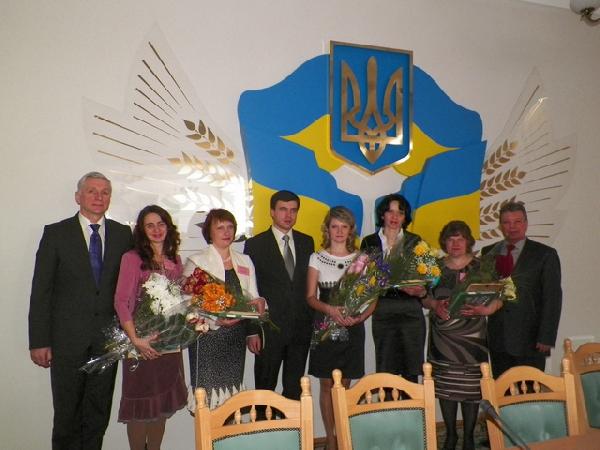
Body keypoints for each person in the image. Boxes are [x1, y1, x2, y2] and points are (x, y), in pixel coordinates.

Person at [28, 171, 133, 450]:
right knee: (67, 415)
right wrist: (39, 340)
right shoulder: (56, 234)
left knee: (98, 413)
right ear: (78, 197)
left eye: (105, 192)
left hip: (107, 341)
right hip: (67, 341)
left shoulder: (123, 235)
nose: (99, 197)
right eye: (92, 191)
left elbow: (132, 285)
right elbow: (41, 290)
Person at [422, 221, 502, 450]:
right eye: (451, 239)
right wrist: (434, 305)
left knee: (472, 389)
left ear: (468, 242)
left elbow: (500, 296)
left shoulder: (481, 266)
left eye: (460, 239)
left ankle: (468, 437)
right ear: (444, 242)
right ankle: (450, 435)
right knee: (446, 388)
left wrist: (486, 310)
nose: (455, 244)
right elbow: (423, 297)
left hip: (473, 340)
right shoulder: (435, 268)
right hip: (442, 340)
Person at [114, 205, 187, 450]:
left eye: (161, 224)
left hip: (169, 344)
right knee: (140, 407)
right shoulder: (132, 258)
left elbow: (178, 301)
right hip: (141, 344)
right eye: (150, 225)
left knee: (161, 406)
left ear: (168, 227)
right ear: (142, 230)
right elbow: (121, 301)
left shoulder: (175, 260)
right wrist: (135, 339)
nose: (156, 230)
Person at [307, 206, 375, 450]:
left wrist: (359, 318)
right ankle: (331, 439)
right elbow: (310, 298)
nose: (339, 231)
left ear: (350, 230)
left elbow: (372, 298)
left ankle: (343, 436)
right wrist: (331, 310)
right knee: (326, 383)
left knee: (344, 385)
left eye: (343, 227)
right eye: (334, 226)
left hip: (352, 327)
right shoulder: (316, 258)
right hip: (325, 325)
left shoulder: (362, 259)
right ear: (327, 229)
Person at [184, 209, 265, 407]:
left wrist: (260, 304)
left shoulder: (245, 260)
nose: (226, 232)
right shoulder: (197, 261)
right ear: (209, 232)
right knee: (207, 400)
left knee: (231, 399)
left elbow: (253, 296)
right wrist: (215, 320)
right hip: (207, 338)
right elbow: (187, 303)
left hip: (235, 338)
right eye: (220, 227)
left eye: (230, 227)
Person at [244, 190, 315, 400]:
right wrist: (252, 331)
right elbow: (249, 290)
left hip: (300, 329)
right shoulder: (255, 244)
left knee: (294, 391)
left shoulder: (307, 242)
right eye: (283, 209)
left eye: (293, 210)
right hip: (269, 330)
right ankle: (264, 423)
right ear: (272, 212)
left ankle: (292, 424)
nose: (288, 215)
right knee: (265, 390)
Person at [481, 201, 562, 377]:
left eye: (517, 221)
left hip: (531, 339)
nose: (512, 227)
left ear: (526, 223)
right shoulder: (488, 252)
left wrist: (546, 337)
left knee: (531, 390)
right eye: (507, 222)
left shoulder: (545, 254)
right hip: (499, 338)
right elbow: (485, 291)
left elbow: (553, 298)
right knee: (502, 389)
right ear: (500, 226)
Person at [360, 193, 427, 383]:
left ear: (405, 217)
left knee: (411, 372)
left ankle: (412, 404)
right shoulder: (369, 242)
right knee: (386, 373)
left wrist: (421, 289)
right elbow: (364, 279)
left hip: (411, 310)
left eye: (400, 212)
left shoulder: (415, 241)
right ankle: (389, 404)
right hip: (383, 309)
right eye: (390, 211)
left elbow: (429, 277)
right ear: (382, 214)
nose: (395, 216)